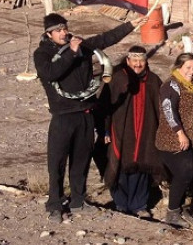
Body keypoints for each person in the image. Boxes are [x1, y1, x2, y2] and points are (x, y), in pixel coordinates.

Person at [34, 12, 143, 222]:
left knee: (81, 161)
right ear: (49, 34)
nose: (63, 33)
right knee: (56, 162)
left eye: (65, 28)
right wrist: (71, 53)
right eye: (58, 30)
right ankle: (55, 204)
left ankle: (78, 200)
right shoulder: (42, 54)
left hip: (85, 113)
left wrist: (130, 25)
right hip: (62, 115)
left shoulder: (80, 45)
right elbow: (51, 73)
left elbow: (105, 39)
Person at [103, 46, 162, 217]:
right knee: (120, 165)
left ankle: (139, 204)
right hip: (122, 130)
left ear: (146, 61)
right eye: (134, 61)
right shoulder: (118, 79)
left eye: (141, 61)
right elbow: (106, 105)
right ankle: (120, 202)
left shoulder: (153, 80)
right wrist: (106, 129)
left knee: (142, 166)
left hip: (146, 130)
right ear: (128, 61)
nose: (138, 64)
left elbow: (160, 107)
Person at [155, 52, 193, 228]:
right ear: (178, 67)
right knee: (184, 173)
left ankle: (182, 208)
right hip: (173, 140)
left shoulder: (192, 86)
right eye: (188, 67)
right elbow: (168, 109)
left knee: (190, 175)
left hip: (191, 140)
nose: (191, 71)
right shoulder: (172, 85)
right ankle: (172, 212)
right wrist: (179, 133)